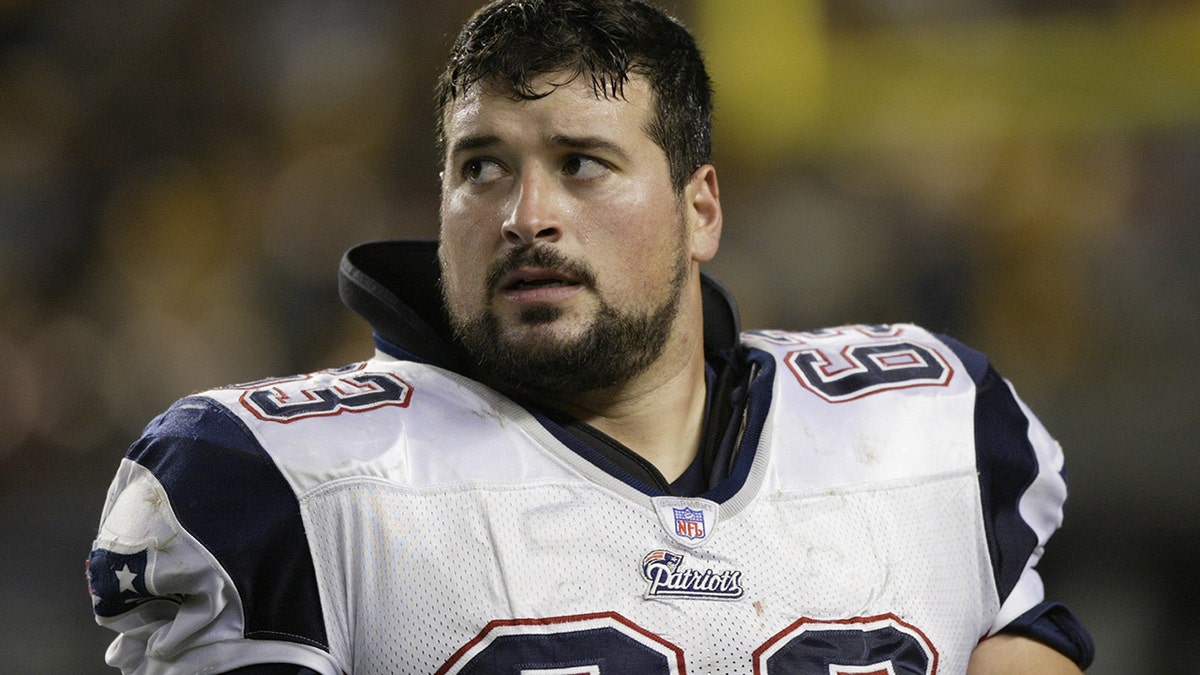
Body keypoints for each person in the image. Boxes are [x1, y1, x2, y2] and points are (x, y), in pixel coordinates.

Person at [86, 0, 1095, 672]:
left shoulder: (924, 426)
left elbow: (1025, 636)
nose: (528, 213)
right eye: (481, 167)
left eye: (583, 163)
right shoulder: (284, 480)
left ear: (700, 210)